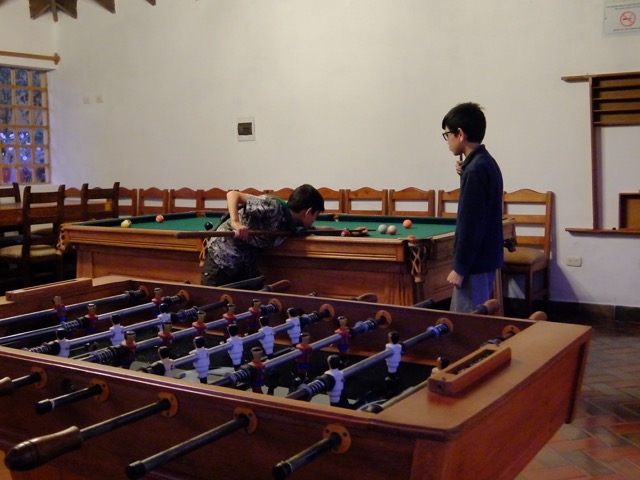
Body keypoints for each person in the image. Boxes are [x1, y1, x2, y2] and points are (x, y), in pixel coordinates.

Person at [441, 102, 504, 313]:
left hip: (474, 264)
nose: (447, 141)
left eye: (447, 134)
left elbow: (471, 222)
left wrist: (460, 268)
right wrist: (465, 170)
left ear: (460, 134)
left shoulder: (476, 169)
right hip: (483, 258)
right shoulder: (484, 162)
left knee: (466, 322)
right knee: (475, 317)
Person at [201, 184, 325, 287]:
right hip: (222, 259)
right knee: (211, 301)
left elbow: (313, 230)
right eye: (316, 215)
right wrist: (235, 223)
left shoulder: (293, 225)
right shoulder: (272, 206)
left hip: (245, 264)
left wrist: (333, 230)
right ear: (308, 212)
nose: (314, 220)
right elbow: (233, 195)